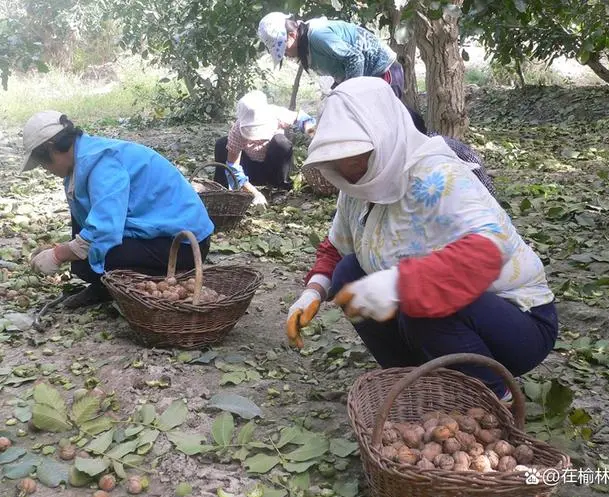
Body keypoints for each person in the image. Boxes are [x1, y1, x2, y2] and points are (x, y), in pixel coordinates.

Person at [286, 78, 557, 404]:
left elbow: (488, 250)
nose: (349, 169)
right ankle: (414, 377)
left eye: (357, 156)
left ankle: (492, 394)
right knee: (348, 273)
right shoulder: (356, 189)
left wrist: (399, 283)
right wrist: (312, 292)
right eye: (340, 160)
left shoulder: (437, 176)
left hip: (518, 325)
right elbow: (337, 247)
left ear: (383, 137)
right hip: (441, 318)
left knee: (421, 301)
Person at [22, 111, 214, 308]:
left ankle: (143, 282)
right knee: (82, 258)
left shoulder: (102, 163)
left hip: (184, 244)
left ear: (51, 148)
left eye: (43, 163)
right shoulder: (83, 159)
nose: (45, 169)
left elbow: (105, 229)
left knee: (90, 259)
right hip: (156, 231)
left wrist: (59, 254)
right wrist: (64, 249)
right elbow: (95, 217)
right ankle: (106, 284)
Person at [258, 12, 425, 130]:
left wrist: (350, 94)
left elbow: (355, 58)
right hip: (366, 75)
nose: (285, 54)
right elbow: (341, 67)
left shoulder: (317, 36)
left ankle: (421, 138)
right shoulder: (308, 46)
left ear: (292, 35)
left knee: (386, 123)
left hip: (382, 71)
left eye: (283, 48)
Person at [213, 90, 316, 208]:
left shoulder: (276, 114)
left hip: (271, 168)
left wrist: (314, 135)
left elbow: (304, 119)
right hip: (248, 170)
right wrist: (254, 193)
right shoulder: (237, 131)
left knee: (281, 143)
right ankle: (222, 189)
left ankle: (279, 188)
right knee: (221, 144)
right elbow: (233, 168)